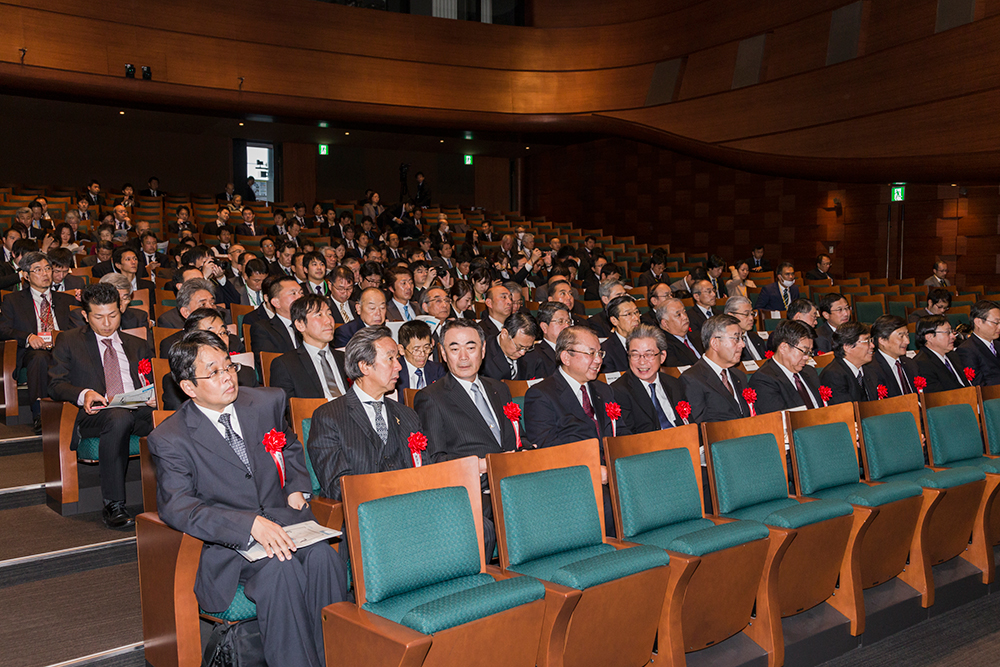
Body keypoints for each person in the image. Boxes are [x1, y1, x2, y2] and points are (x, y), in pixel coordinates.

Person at [150, 331, 349, 667]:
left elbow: (289, 445)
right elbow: (177, 505)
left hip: (287, 524)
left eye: (228, 365)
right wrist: (248, 525)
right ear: (188, 387)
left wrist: (297, 486)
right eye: (213, 372)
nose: (227, 376)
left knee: (325, 561)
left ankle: (335, 658)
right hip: (229, 548)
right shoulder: (170, 438)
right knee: (280, 572)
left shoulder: (266, 402)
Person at [49, 283, 154, 528]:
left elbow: (149, 381)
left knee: (175, 416)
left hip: (136, 409)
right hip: (94, 414)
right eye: (99, 317)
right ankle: (113, 504)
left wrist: (154, 395)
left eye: (113, 315)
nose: (107, 323)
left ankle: (178, 498)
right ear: (85, 315)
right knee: (118, 417)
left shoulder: (136, 344)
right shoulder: (69, 340)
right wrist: (83, 393)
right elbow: (55, 384)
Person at [414, 319, 518, 556]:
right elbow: (435, 461)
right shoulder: (432, 397)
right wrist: (482, 466)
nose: (463, 357)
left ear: (483, 349)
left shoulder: (499, 389)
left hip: (512, 484)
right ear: (442, 353)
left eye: (470, 348)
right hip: (473, 493)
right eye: (454, 348)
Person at [523, 326, 629, 536]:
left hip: (613, 472)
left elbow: (622, 434)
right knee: (614, 505)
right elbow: (548, 450)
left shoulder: (603, 390)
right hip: (575, 478)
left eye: (599, 353)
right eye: (590, 353)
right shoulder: (541, 395)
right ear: (566, 357)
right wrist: (592, 469)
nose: (598, 360)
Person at [2, 251, 78, 431]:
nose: (45, 274)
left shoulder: (67, 299)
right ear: (26, 276)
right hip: (31, 350)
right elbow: (3, 329)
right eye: (38, 270)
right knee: (40, 357)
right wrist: (28, 337)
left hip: (63, 347)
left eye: (47, 269)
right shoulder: (12, 300)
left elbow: (78, 329)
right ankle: (41, 413)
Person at [160, 309, 258, 409]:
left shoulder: (246, 374)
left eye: (223, 332)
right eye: (211, 334)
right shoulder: (181, 381)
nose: (220, 339)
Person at [269, 294, 348, 403]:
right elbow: (288, 409)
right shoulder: (286, 364)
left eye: (329, 314)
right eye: (319, 315)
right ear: (300, 325)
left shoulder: (344, 358)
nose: (328, 321)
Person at [611, 325, 686, 434]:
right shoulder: (619, 391)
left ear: (662, 356)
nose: (642, 361)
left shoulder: (674, 383)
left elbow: (689, 422)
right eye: (635, 355)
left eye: (649, 354)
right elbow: (628, 439)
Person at [680, 314, 751, 423]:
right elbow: (700, 428)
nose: (742, 344)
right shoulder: (692, 379)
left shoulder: (739, 376)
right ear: (715, 343)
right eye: (736, 338)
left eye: (742, 338)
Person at [748, 320, 822, 414]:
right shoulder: (764, 380)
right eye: (804, 351)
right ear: (783, 348)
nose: (807, 357)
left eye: (809, 352)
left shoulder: (810, 372)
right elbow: (780, 421)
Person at [819, 322, 875, 404]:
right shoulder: (833, 375)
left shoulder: (868, 369)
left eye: (871, 340)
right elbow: (846, 412)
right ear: (848, 347)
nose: (872, 345)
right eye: (867, 341)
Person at [863, 315, 918, 398]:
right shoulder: (871, 369)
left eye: (907, 335)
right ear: (882, 340)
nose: (907, 341)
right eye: (901, 336)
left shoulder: (910, 363)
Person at [249, 276, 304, 357]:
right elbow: (271, 364)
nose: (300, 297)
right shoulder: (263, 329)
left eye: (301, 293)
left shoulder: (310, 324)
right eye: (293, 293)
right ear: (276, 302)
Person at [914, 316, 970, 393]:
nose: (953, 337)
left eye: (952, 332)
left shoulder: (953, 355)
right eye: (947, 333)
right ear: (929, 337)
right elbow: (938, 398)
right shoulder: (921, 364)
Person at [480, 312, 539, 381]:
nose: (522, 353)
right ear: (504, 334)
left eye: (527, 348)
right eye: (519, 347)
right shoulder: (483, 355)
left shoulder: (533, 354)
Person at [955, 300, 1000, 387]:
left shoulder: (998, 344)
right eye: (996, 323)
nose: (999, 327)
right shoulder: (967, 350)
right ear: (978, 322)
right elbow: (979, 385)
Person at [521, 302, 571, 379]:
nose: (567, 326)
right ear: (544, 327)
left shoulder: (576, 351)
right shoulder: (534, 355)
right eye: (560, 321)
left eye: (568, 322)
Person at [396, 320, 446, 391]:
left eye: (426, 348)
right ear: (401, 349)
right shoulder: (394, 373)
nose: (423, 355)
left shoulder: (438, 370)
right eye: (416, 350)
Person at [600, 295, 641, 374]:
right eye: (628, 314)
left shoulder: (649, 342)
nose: (636, 318)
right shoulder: (606, 351)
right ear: (614, 320)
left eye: (636, 312)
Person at [657, 298, 703, 366]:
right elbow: (679, 372)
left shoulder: (696, 336)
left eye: (684, 312)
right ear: (665, 323)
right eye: (678, 315)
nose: (685, 317)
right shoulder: (664, 346)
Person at [724, 296, 767, 361]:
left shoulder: (757, 339)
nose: (751, 318)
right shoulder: (727, 343)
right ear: (731, 316)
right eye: (746, 314)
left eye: (752, 314)